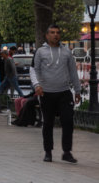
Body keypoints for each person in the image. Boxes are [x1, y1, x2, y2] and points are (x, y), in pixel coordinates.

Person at [31, 24, 81, 163]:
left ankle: (67, 152)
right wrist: (37, 85)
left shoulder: (66, 52)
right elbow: (35, 70)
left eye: (57, 32)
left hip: (64, 92)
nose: (55, 35)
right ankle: (48, 152)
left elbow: (73, 72)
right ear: (47, 35)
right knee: (48, 123)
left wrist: (77, 90)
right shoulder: (40, 52)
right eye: (52, 32)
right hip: (46, 93)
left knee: (68, 121)